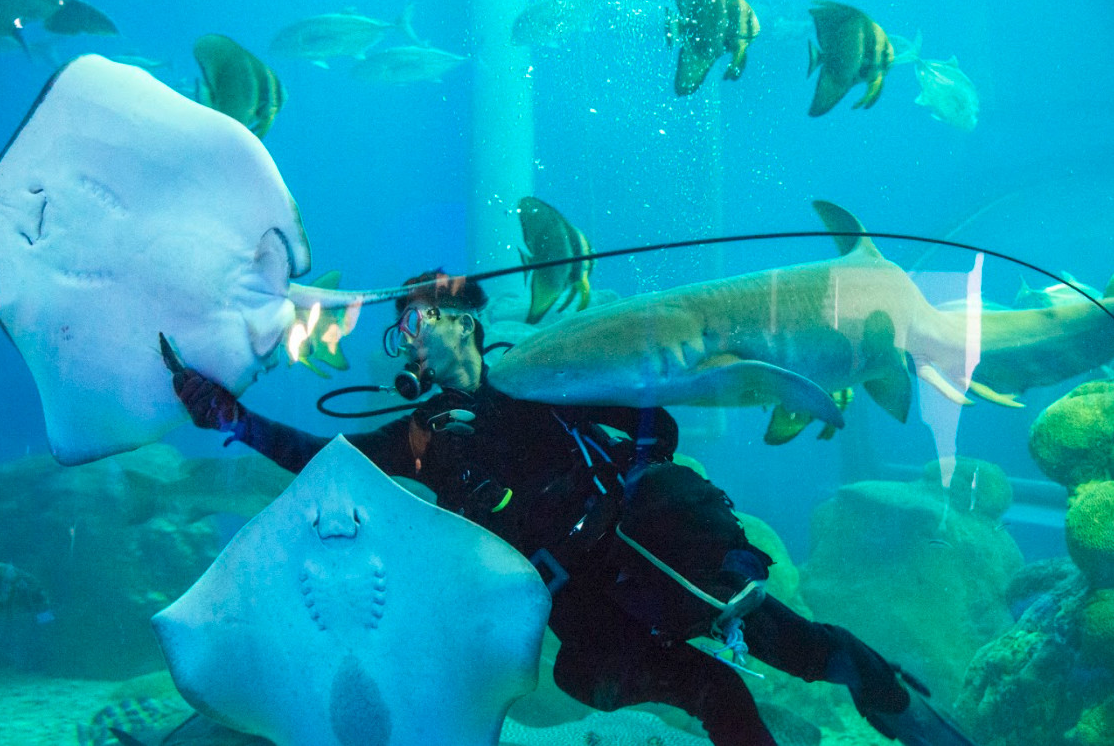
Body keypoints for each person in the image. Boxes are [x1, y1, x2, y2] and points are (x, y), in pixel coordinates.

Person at [169, 269, 963, 746]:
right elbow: (316, 461)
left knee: (807, 650)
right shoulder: (420, 436)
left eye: (419, 320)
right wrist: (224, 415)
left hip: (656, 559)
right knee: (711, 693)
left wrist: (628, 484)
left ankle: (904, 709)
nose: (410, 341)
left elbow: (660, 420)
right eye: (401, 333)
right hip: (583, 612)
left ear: (462, 320)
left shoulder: (552, 373)